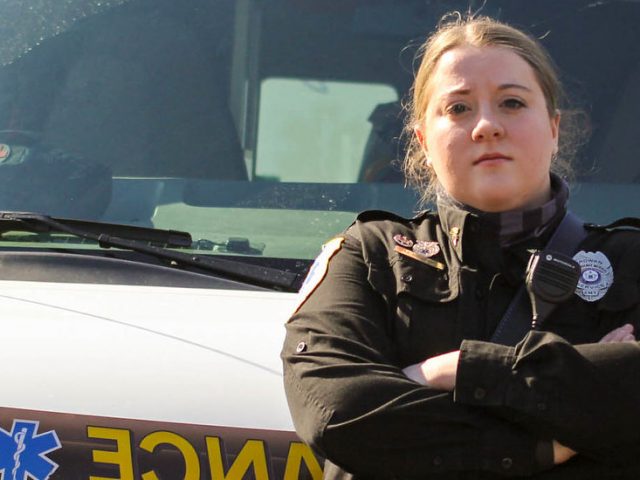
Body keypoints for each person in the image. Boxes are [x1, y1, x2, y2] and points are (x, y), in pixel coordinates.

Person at [281, 13, 640, 479]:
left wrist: (461, 371)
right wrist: (544, 443)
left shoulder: (630, 261)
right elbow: (338, 411)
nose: (487, 125)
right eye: (458, 108)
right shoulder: (368, 255)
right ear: (423, 141)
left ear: (553, 128)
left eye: (512, 103)